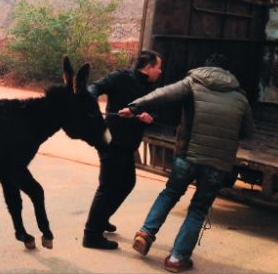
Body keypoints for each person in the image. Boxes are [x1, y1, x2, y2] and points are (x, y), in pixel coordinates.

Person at [119, 54, 254, 273]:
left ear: (205, 68)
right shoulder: (240, 97)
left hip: (187, 156)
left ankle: (145, 233)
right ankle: (177, 258)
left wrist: (133, 107)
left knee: (170, 193)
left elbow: (162, 95)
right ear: (228, 73)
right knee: (199, 209)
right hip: (217, 165)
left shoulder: (193, 83)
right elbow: (248, 132)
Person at [82, 50, 163, 250]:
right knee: (108, 186)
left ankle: (102, 218)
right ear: (148, 67)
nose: (160, 72)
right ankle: (91, 235)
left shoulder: (151, 87)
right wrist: (90, 102)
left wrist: (148, 116)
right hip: (112, 140)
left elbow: (155, 110)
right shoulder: (120, 77)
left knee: (127, 182)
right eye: (158, 67)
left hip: (128, 143)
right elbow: (94, 87)